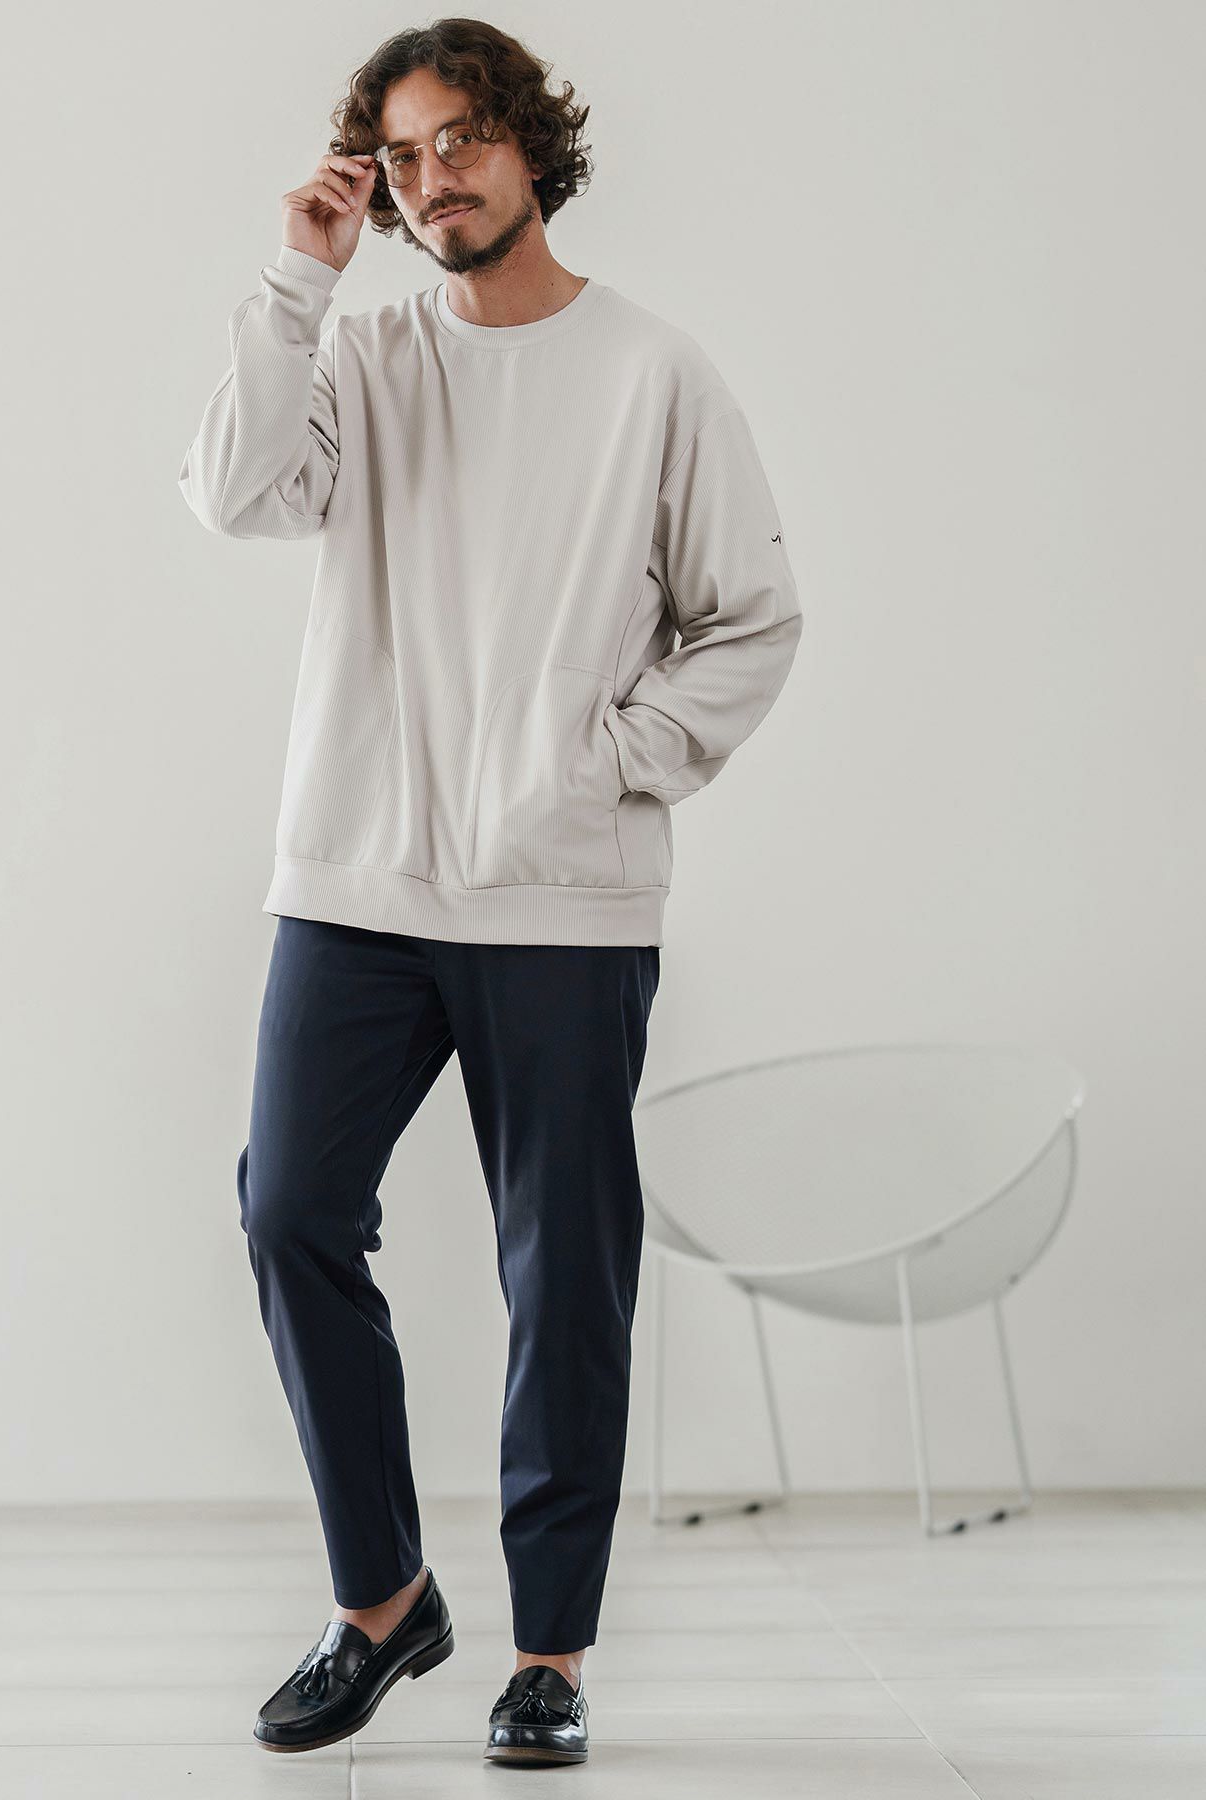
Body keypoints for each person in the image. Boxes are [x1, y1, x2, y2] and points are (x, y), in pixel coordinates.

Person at [178, 17, 803, 1767]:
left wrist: (607, 761)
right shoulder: (363, 356)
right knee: (291, 1210)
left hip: (563, 900)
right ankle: (383, 1601)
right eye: (399, 154)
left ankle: (551, 1657)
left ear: (531, 144)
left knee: (566, 1275)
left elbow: (750, 620)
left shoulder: (655, 373)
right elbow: (233, 494)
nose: (431, 175)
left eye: (460, 138)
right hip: (358, 882)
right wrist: (297, 280)